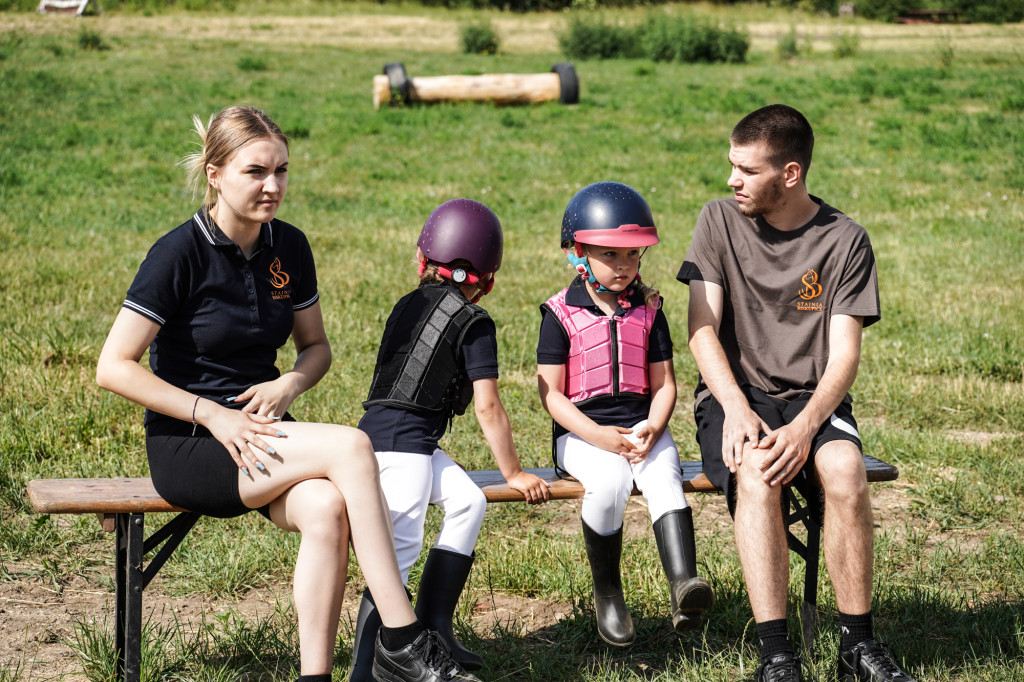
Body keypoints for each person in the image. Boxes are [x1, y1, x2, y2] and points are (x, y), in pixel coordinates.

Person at [95, 105, 481, 682]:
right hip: (191, 444)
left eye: (281, 171)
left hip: (263, 437)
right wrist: (213, 416)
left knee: (326, 509)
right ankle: (402, 639)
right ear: (215, 175)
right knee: (351, 447)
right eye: (255, 172)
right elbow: (113, 367)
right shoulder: (177, 254)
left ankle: (315, 677)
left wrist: (290, 382)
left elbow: (316, 347)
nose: (272, 186)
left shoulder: (289, 248)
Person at [677, 104, 916, 682]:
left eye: (746, 170)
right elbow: (701, 329)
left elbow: (845, 355)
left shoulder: (845, 240)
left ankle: (857, 646)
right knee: (758, 469)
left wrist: (808, 426)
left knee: (843, 467)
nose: (732, 179)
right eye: (731, 165)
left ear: (790, 174)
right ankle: (777, 655)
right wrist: (734, 408)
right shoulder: (717, 220)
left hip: (814, 400)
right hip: (736, 396)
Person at [348, 198, 551, 681]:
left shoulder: (405, 303)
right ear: (489, 282)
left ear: (423, 262)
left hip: (387, 438)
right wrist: (514, 473)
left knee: (466, 502)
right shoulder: (475, 321)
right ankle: (363, 674)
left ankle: (435, 627)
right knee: (391, 566)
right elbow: (488, 406)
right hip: (403, 453)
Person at [536, 181, 714, 647]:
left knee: (663, 475)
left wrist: (655, 426)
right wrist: (598, 435)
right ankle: (608, 594)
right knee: (611, 480)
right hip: (581, 433)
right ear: (578, 253)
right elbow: (552, 396)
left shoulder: (650, 311)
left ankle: (683, 587)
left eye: (633, 256)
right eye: (610, 256)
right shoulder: (559, 314)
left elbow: (665, 385)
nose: (624, 267)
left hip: (641, 427)